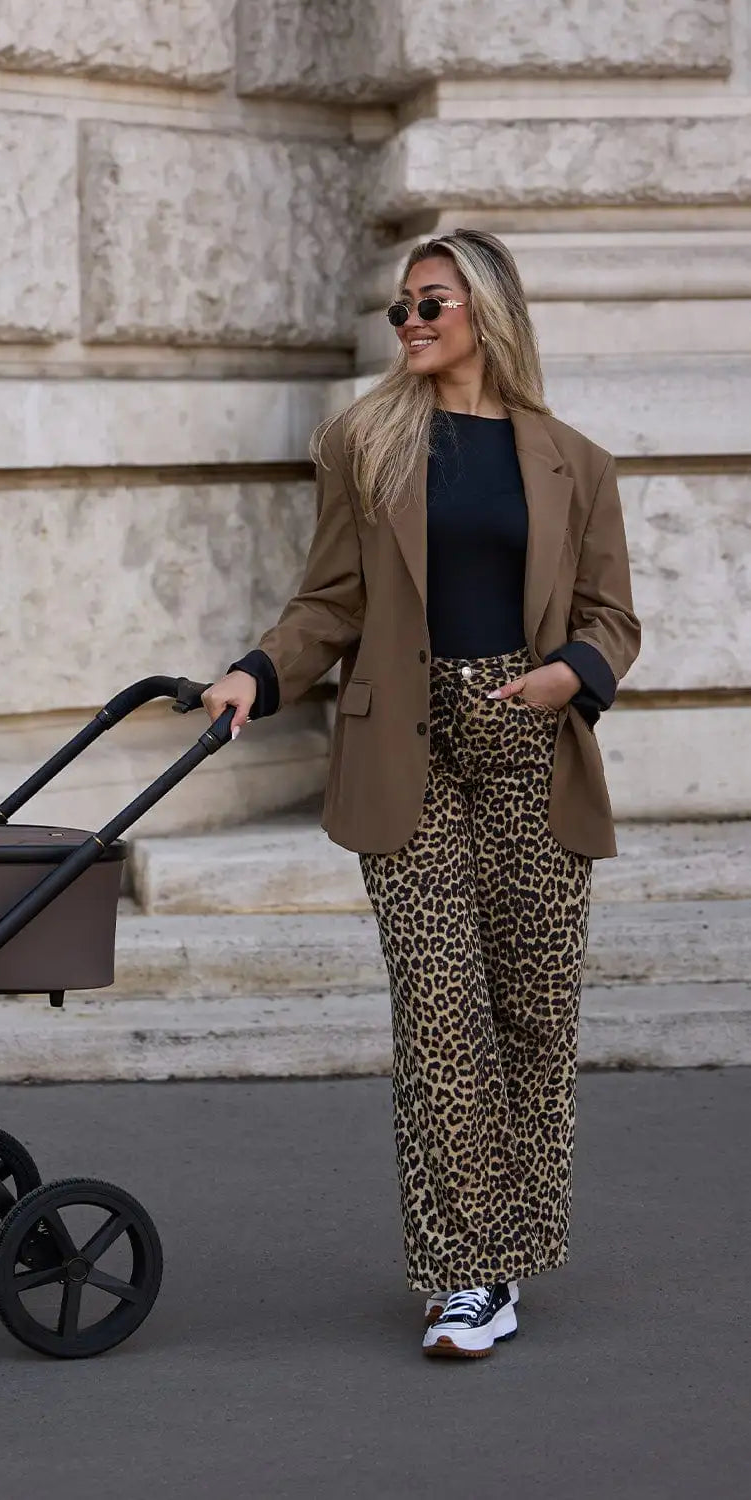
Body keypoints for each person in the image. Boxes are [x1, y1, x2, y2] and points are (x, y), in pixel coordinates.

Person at [202, 228, 640, 1359]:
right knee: (440, 1016)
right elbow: (327, 603)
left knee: (530, 1018)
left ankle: (510, 1246)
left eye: (427, 304)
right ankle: (464, 1275)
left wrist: (568, 677)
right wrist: (257, 670)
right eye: (399, 308)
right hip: (408, 745)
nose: (407, 324)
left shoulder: (572, 460)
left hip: (531, 743)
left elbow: (611, 621)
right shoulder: (366, 442)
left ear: (484, 312)